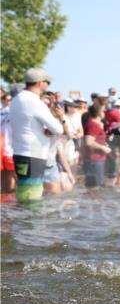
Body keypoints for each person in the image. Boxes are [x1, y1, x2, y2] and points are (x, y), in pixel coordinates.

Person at [9, 68, 68, 203]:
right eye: (47, 82)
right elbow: (58, 129)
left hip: (19, 152)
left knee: (23, 191)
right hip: (33, 155)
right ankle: (31, 223)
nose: (47, 86)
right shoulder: (35, 102)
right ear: (40, 83)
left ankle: (22, 223)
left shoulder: (17, 99)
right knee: (32, 197)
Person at [81, 102, 111, 188]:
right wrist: (103, 147)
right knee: (95, 188)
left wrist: (104, 144)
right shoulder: (93, 125)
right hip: (94, 160)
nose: (104, 113)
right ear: (99, 113)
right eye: (103, 111)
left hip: (97, 159)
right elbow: (89, 142)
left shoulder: (95, 124)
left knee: (97, 187)